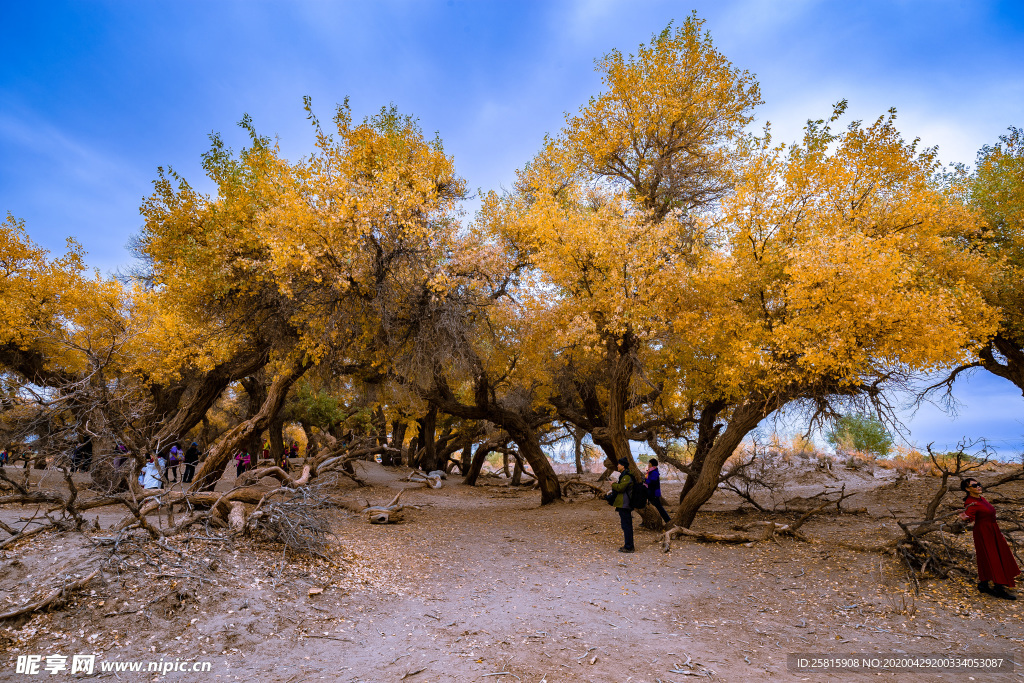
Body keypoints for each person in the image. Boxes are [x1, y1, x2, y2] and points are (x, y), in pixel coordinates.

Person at [960, 478, 1020, 600]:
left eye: (979, 484)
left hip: (993, 531)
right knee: (992, 557)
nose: (978, 487)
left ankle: (984, 583)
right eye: (974, 485)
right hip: (984, 532)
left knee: (998, 555)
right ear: (967, 489)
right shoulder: (971, 502)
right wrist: (962, 516)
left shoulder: (980, 498)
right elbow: (968, 517)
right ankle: (998, 587)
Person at [611, 457, 635, 553]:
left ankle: (629, 547)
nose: (617, 466)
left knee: (627, 526)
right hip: (623, 504)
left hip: (625, 504)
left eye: (619, 464)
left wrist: (613, 484)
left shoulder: (627, 476)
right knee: (625, 525)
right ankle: (628, 545)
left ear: (623, 465)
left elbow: (621, 488)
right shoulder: (623, 475)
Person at [645, 458, 672, 526]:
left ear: (651, 464)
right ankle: (646, 521)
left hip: (654, 493)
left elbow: (652, 482)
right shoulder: (651, 471)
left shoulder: (654, 472)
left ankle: (668, 520)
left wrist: (645, 481)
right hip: (651, 492)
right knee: (649, 506)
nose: (648, 465)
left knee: (659, 507)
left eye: (649, 463)